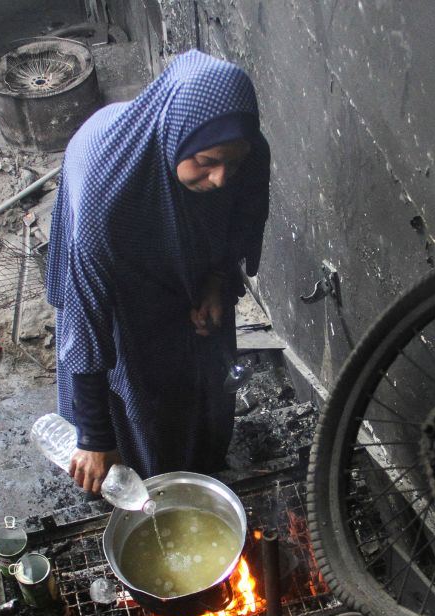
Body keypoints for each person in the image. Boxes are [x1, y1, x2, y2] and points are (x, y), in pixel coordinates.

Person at [45, 50, 270, 495]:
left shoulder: (243, 149)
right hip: (124, 255)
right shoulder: (103, 197)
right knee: (136, 368)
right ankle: (148, 475)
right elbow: (86, 321)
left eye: (234, 162)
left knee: (203, 355)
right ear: (175, 138)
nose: (223, 178)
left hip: (186, 251)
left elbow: (241, 220)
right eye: (207, 162)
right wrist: (94, 436)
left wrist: (215, 284)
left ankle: (202, 464)